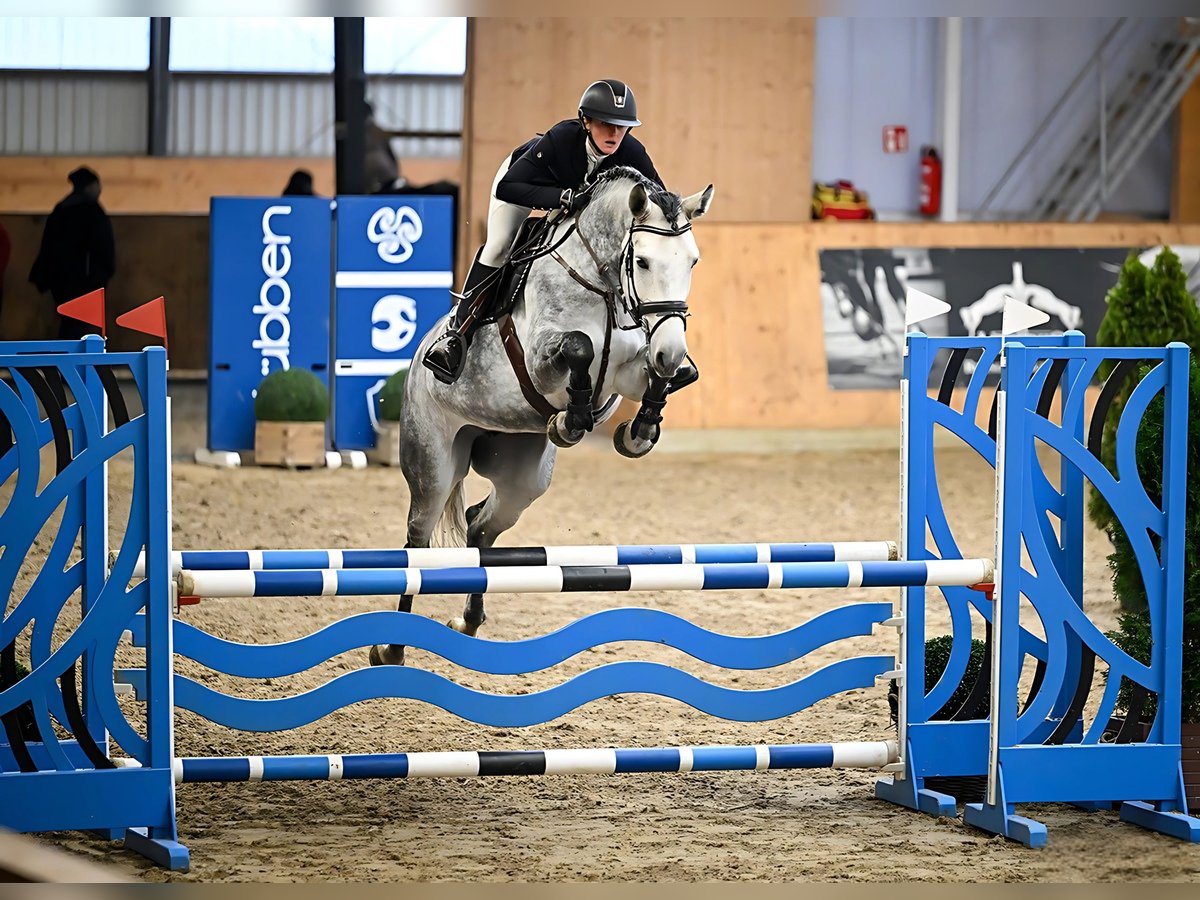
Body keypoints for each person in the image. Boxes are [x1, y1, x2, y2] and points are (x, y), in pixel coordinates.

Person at [423, 78, 664, 384]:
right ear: (586, 121)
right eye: (606, 123)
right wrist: (562, 197)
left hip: (576, 207)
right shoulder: (562, 138)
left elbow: (659, 197)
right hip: (527, 184)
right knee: (500, 245)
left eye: (622, 125)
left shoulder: (632, 151)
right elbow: (509, 186)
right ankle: (457, 334)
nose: (615, 133)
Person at [28, 166, 115, 340]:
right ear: (90, 186)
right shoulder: (93, 211)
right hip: (86, 282)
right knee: (81, 327)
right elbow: (104, 249)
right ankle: (76, 363)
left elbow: (48, 246)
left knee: (68, 323)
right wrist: (103, 275)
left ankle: (66, 361)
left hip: (60, 282)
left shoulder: (61, 209)